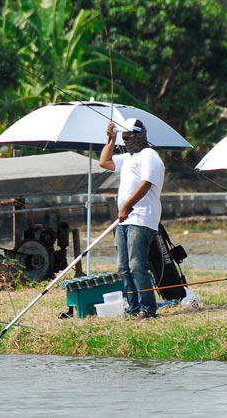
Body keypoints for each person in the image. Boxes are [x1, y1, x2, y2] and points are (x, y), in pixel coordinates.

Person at [99, 117, 165, 320]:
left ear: (140, 134)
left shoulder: (149, 156)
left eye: (130, 136)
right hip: (124, 219)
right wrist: (111, 140)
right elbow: (104, 162)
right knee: (123, 267)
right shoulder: (127, 158)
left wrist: (127, 205)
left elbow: (146, 184)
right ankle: (133, 307)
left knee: (137, 266)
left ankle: (148, 309)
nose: (127, 141)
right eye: (124, 137)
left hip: (142, 218)